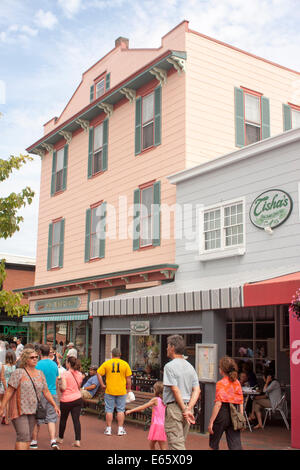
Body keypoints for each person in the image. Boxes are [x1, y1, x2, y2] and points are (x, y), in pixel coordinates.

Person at [0, 348, 60, 450]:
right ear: (25, 359)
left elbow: (46, 391)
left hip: (33, 410)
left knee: (28, 438)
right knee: (23, 435)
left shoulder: (40, 373)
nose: (35, 359)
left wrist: (54, 404)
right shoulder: (19, 372)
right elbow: (9, 391)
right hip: (19, 409)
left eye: (36, 357)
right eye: (32, 357)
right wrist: (2, 407)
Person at [163, 335, 200, 450]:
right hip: (188, 408)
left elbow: (175, 389)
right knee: (180, 442)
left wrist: (184, 409)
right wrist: (189, 408)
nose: (166, 349)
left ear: (172, 347)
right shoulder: (190, 367)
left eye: (168, 346)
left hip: (175, 408)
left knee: (176, 445)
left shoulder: (169, 367)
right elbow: (197, 390)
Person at [208, 356, 243, 450]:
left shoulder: (220, 383)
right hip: (234, 413)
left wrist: (211, 421)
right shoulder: (237, 383)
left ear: (222, 370)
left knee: (214, 443)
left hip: (222, 413)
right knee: (235, 444)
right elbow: (241, 402)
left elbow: (218, 404)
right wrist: (241, 417)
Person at [30, 344, 60, 450]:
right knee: (51, 418)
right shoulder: (54, 365)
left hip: (39, 394)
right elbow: (56, 380)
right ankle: (53, 441)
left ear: (40, 353)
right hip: (52, 393)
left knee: (36, 418)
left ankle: (34, 441)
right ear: (49, 352)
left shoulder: (37, 365)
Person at [97, 347, 132, 436]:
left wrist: (102, 384)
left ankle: (108, 429)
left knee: (109, 410)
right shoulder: (125, 364)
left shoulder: (107, 363)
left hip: (109, 390)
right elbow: (128, 379)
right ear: (120, 355)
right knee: (120, 410)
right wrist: (129, 389)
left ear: (112, 354)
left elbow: (99, 373)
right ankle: (120, 429)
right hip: (121, 390)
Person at [126, 381, 167, 450]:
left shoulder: (155, 400)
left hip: (157, 425)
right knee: (153, 444)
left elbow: (143, 407)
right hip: (161, 424)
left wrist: (131, 410)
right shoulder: (164, 400)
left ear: (156, 391)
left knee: (160, 446)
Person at [57, 356, 84, 448]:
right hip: (77, 398)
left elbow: (63, 388)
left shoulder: (65, 374)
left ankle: (60, 438)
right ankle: (77, 440)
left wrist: (60, 386)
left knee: (63, 419)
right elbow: (79, 386)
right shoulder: (80, 374)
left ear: (68, 363)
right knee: (76, 420)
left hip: (66, 400)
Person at [0, 351, 16, 424]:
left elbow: (2, 377)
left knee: (1, 400)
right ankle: (6, 418)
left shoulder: (4, 366)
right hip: (11, 385)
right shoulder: (14, 367)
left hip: (4, 385)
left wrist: (5, 387)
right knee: (8, 402)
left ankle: (2, 413)